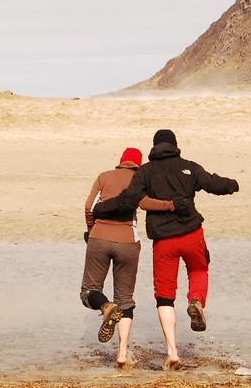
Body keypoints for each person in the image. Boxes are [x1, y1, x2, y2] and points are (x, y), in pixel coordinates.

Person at [91, 129, 238, 370]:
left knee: (165, 295)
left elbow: (129, 200)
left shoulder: (146, 171)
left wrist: (102, 208)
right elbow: (212, 183)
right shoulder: (189, 166)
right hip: (192, 234)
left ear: (154, 147)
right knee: (199, 269)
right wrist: (231, 185)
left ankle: (172, 352)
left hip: (164, 242)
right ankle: (196, 300)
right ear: (175, 145)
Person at [81, 147, 176, 369]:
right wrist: (171, 205)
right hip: (128, 242)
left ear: (120, 161)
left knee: (89, 291)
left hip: (99, 238)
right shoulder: (140, 179)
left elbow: (89, 207)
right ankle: (122, 353)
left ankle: (105, 307)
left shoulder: (104, 176)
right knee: (125, 300)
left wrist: (91, 229)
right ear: (138, 165)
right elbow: (147, 203)